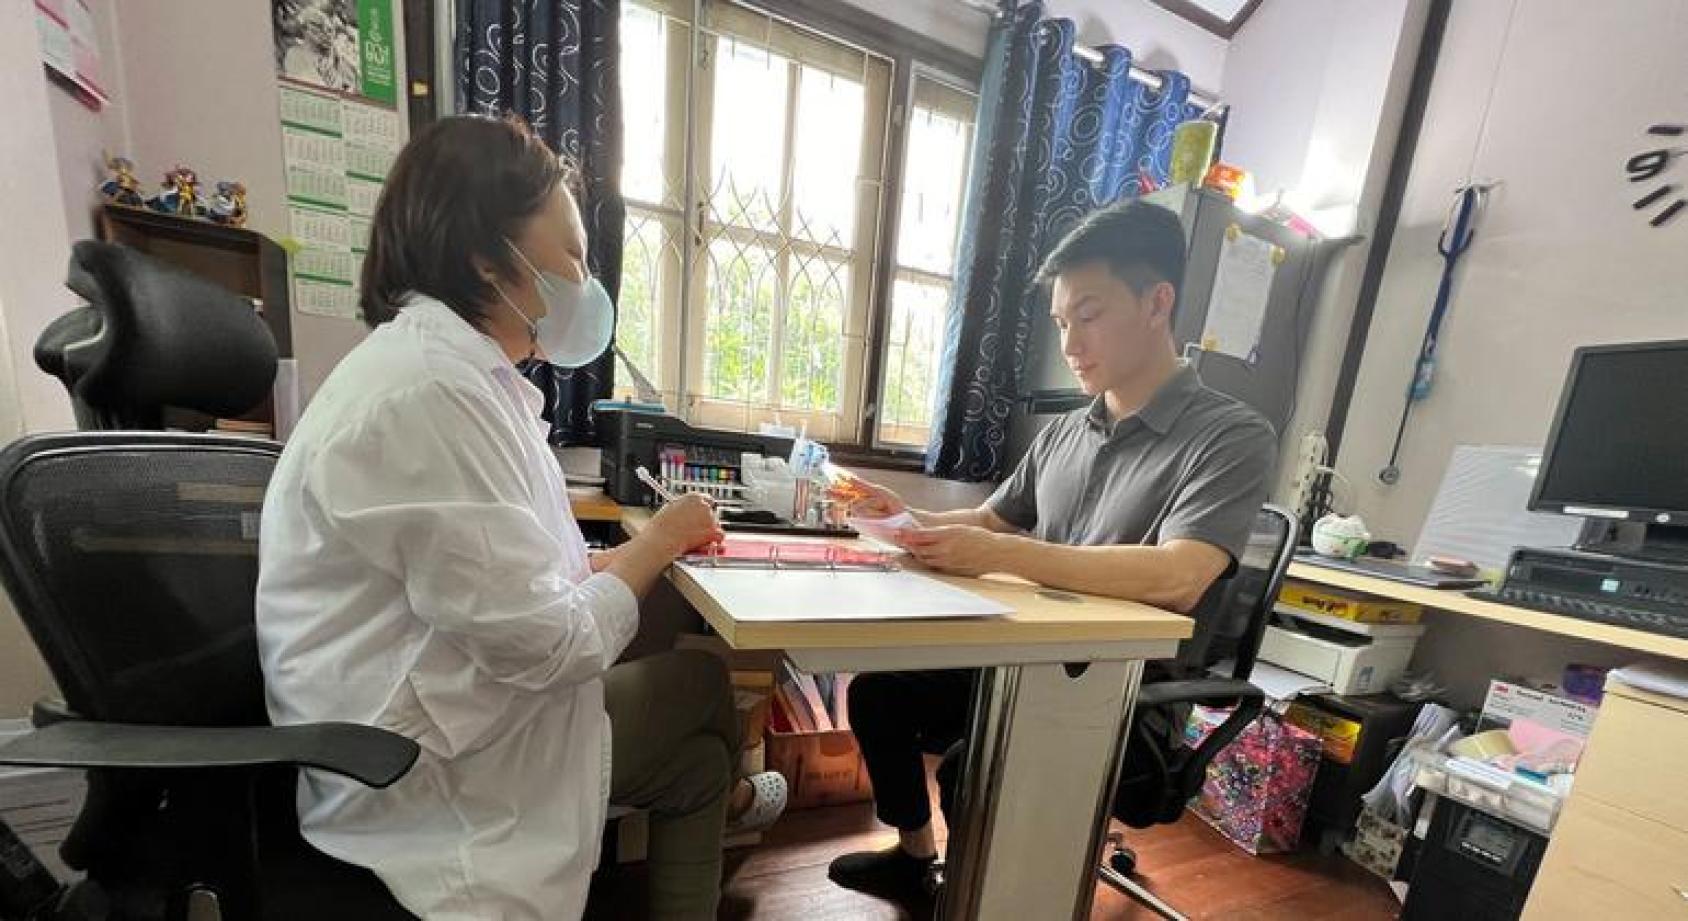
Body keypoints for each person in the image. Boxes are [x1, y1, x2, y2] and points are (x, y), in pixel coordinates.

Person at [256, 115, 786, 921]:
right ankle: (742, 795)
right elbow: (548, 643)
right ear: (485, 259)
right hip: (428, 773)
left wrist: (597, 569)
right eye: (570, 254)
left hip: (462, 707)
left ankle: (737, 792)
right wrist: (659, 541)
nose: (584, 279)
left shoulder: (462, 380)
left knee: (698, 737)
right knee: (699, 694)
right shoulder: (430, 391)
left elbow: (503, 578)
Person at [826, 200, 1276, 909]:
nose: (1070, 342)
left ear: (1157, 302)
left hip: (1124, 693)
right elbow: (988, 519)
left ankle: (991, 899)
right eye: (1063, 321)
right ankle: (917, 860)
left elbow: (1180, 575)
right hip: (1022, 660)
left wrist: (1008, 554)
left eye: (1088, 315)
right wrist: (903, 518)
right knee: (880, 692)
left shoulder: (1230, 435)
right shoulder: (1065, 432)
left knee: (984, 769)